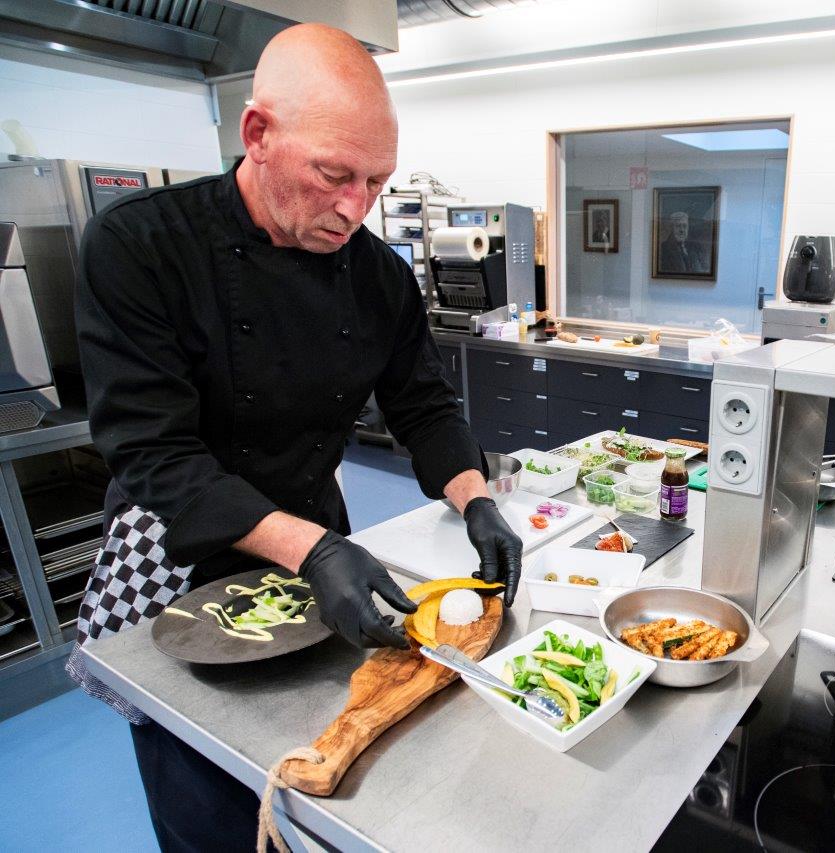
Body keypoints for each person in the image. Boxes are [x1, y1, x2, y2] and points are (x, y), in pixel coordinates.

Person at [65, 23, 522, 851]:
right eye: (334, 174)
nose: (356, 207)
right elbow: (154, 453)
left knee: (321, 759)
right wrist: (310, 550)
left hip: (318, 539)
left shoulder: (379, 273)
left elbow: (421, 404)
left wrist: (477, 498)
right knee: (200, 785)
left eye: (376, 181)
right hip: (175, 549)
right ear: (258, 135)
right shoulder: (140, 246)